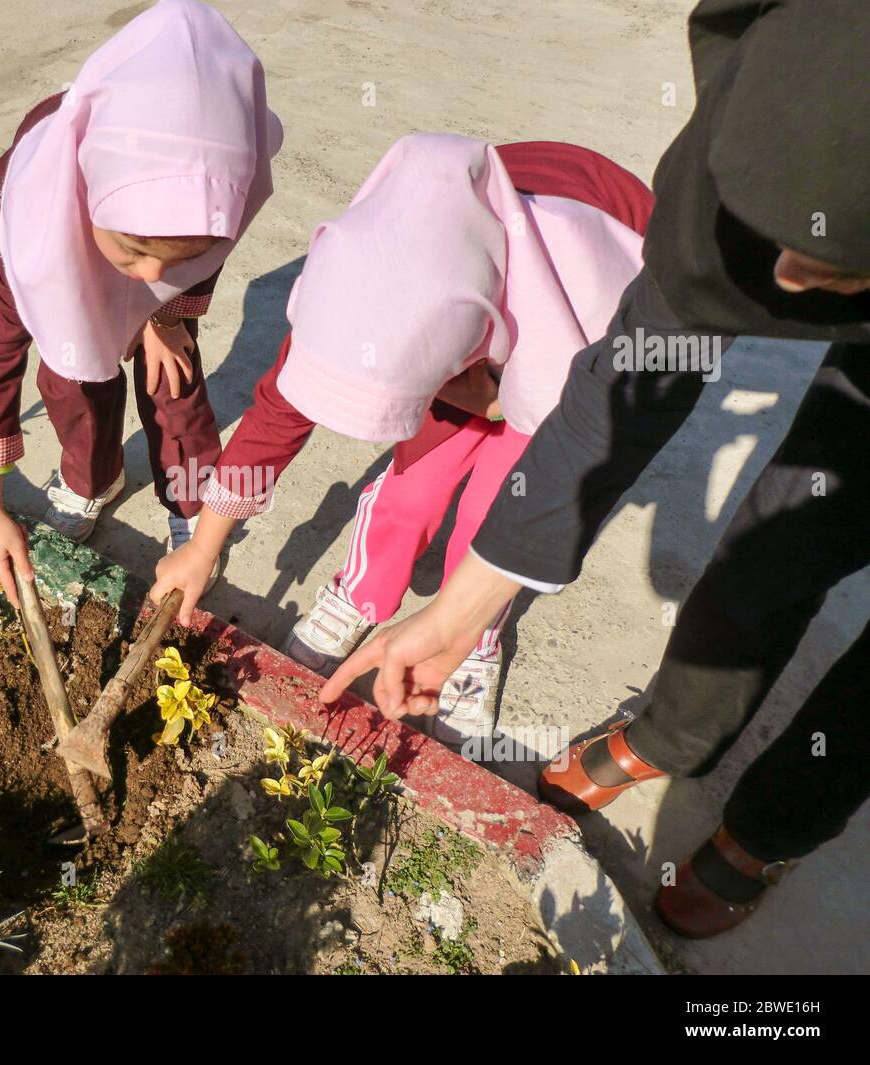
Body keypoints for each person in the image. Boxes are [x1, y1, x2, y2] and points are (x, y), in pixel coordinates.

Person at [322, 0, 869, 937]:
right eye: (771, 244)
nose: (779, 291)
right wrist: (456, 617)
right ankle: (670, 732)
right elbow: (630, 383)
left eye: (819, 272)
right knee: (792, 521)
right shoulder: (757, 134)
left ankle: (773, 824)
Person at [150, 133, 651, 743]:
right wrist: (202, 547)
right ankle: (359, 594)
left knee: (498, 502)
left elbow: (568, 469)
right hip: (477, 339)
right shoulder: (358, 290)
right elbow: (273, 423)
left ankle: (476, 632)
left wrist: (498, 400)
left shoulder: (593, 318)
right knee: (412, 490)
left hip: (563, 335)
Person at [0, 0, 281, 605]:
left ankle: (192, 503)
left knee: (174, 384)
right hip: (67, 270)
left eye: (185, 253)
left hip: (162, 300)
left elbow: (174, 257)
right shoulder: (35, 234)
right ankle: (94, 477)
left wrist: (166, 310)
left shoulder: (210, 171)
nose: (154, 272)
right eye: (135, 249)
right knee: (72, 381)